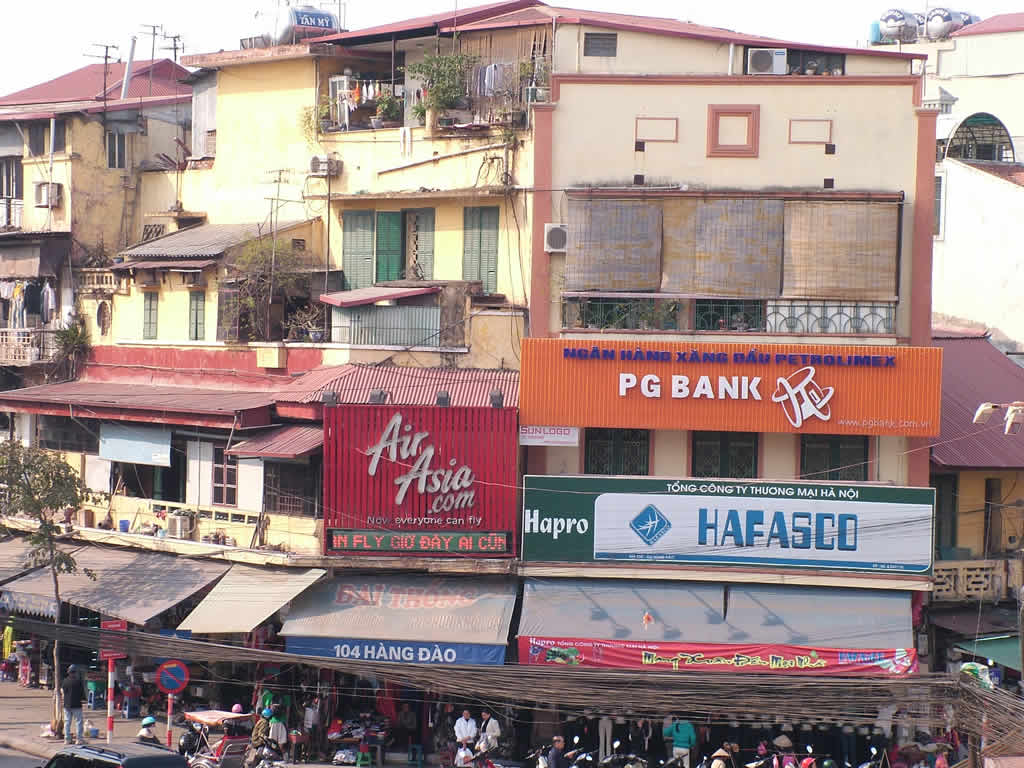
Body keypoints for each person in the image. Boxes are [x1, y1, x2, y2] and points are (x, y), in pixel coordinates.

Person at [60, 664, 85, 746]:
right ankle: (79, 739)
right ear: (75, 673)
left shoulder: (65, 681)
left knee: (67, 722)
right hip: (77, 705)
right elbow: (82, 694)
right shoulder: (78, 681)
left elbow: (63, 692)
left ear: (68, 672)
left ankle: (67, 739)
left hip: (67, 705)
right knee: (79, 722)